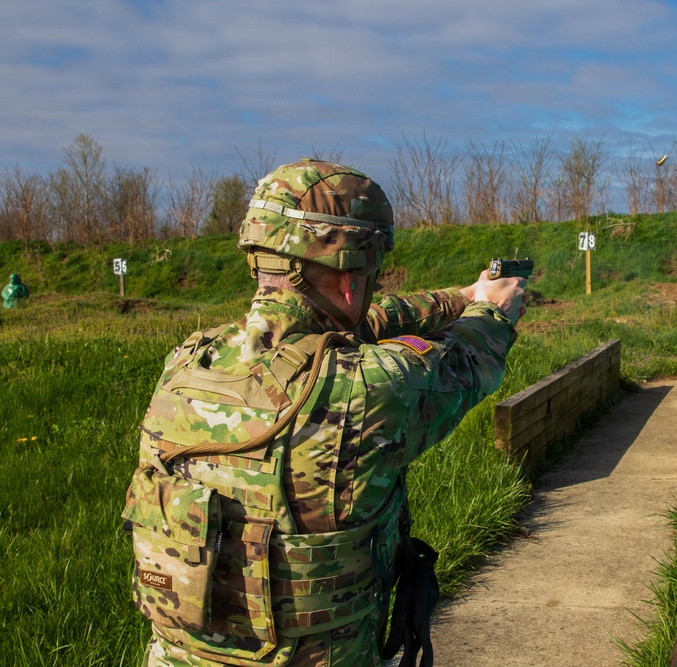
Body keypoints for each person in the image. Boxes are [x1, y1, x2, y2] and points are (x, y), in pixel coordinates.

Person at [122, 159, 527, 667]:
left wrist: (465, 295)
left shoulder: (186, 362)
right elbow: (471, 361)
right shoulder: (369, 387)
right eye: (368, 278)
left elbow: (362, 322)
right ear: (354, 282)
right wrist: (493, 312)